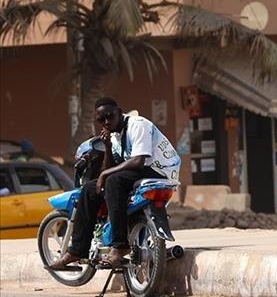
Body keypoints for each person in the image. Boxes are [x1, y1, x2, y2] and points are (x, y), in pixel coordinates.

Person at [49, 97, 180, 269]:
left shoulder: (137, 125)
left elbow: (139, 160)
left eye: (110, 116)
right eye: (101, 120)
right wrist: (108, 147)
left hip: (160, 170)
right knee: (89, 189)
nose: (106, 122)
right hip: (140, 172)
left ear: (119, 112)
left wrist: (105, 174)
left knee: (112, 181)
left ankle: (120, 245)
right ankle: (77, 251)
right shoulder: (115, 137)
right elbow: (114, 167)